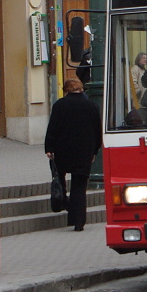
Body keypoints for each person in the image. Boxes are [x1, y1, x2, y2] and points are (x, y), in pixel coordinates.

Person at [45, 78, 102, 232]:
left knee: (60, 176)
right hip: (84, 151)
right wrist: (94, 150)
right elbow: (97, 130)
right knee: (79, 185)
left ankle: (64, 202)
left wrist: (49, 148)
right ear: (81, 89)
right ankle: (78, 222)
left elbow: (53, 128)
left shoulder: (60, 105)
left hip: (63, 150)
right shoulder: (91, 105)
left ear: (66, 90)